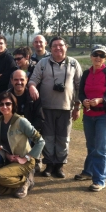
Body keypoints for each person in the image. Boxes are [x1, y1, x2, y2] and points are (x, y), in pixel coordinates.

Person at [28, 36, 82, 178]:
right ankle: (49, 165)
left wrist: (77, 106)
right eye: (55, 46)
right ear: (50, 48)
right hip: (46, 107)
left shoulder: (74, 64)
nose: (58, 48)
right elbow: (33, 79)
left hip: (66, 108)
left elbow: (79, 87)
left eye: (61, 45)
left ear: (66, 47)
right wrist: (32, 87)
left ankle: (60, 166)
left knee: (63, 138)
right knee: (48, 137)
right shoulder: (43, 63)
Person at [76, 45, 106, 192]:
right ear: (91, 56)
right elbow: (81, 93)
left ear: (105, 58)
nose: (98, 58)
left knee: (100, 149)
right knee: (91, 146)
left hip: (104, 115)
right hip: (89, 115)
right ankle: (88, 172)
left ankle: (99, 180)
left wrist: (101, 100)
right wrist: (83, 101)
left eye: (101, 55)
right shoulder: (86, 73)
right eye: (96, 54)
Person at [0, 91, 45, 198]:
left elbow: (40, 141)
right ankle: (21, 179)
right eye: (1, 104)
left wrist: (27, 157)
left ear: (13, 105)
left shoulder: (21, 121)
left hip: (25, 161)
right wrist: (8, 156)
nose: (4, 106)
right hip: (10, 160)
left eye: (8, 104)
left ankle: (26, 181)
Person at [9, 69, 44, 172]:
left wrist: (28, 131)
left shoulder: (34, 97)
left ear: (27, 80)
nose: (19, 82)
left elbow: (40, 118)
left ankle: (32, 159)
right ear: (11, 81)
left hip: (29, 132)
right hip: (12, 131)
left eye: (21, 79)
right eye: (16, 80)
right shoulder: (7, 97)